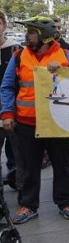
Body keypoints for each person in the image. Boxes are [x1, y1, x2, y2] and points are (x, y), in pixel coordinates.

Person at [1, 16, 69, 223]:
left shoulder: (65, 55)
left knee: (61, 164)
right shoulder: (19, 56)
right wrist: (7, 114)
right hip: (26, 123)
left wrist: (63, 72)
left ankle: (65, 203)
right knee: (28, 167)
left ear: (44, 36)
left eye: (32, 32)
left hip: (57, 122)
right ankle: (29, 205)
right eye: (28, 32)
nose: (28, 36)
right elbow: (7, 86)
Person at [0, 11, 20, 173]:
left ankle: (20, 189)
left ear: (4, 26)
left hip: (13, 110)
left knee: (17, 155)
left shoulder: (16, 49)